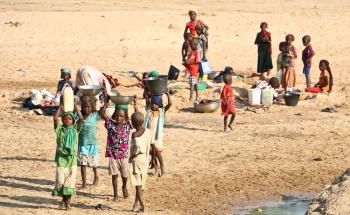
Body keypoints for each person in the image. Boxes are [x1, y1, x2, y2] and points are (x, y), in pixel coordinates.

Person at [101, 94, 138, 201]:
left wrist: (135, 103)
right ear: (114, 115)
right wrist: (106, 101)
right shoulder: (110, 124)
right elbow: (102, 113)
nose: (118, 118)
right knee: (114, 175)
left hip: (124, 154)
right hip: (112, 154)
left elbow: (136, 116)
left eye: (121, 116)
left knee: (124, 175)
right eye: (117, 115)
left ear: (125, 117)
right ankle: (115, 195)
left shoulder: (128, 125)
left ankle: (124, 186)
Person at [52, 102, 83, 210]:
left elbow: (81, 118)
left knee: (69, 183)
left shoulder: (75, 129)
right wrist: (60, 107)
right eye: (65, 118)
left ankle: (67, 203)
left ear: (73, 120)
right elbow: (55, 118)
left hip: (72, 159)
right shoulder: (59, 130)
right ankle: (63, 201)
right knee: (61, 181)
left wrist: (75, 106)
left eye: (70, 119)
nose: (67, 120)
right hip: (61, 159)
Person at [143, 91, 172, 177]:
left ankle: (162, 166)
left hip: (157, 136)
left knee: (157, 151)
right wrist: (147, 94)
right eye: (152, 103)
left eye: (154, 104)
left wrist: (167, 94)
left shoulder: (162, 111)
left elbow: (170, 104)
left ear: (159, 104)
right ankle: (156, 168)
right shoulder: (149, 110)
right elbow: (147, 100)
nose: (152, 105)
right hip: (149, 135)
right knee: (152, 153)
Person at [129, 112, 152, 213]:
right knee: (141, 183)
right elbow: (152, 146)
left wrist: (131, 157)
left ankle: (142, 204)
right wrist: (153, 160)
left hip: (137, 160)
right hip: (145, 160)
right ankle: (135, 204)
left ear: (133, 123)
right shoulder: (148, 131)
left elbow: (135, 149)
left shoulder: (134, 135)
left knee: (137, 184)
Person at [78, 96, 100, 189]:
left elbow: (102, 112)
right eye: (85, 107)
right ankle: (84, 182)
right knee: (83, 163)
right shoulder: (80, 116)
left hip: (93, 144)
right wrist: (77, 108)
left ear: (92, 107)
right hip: (82, 144)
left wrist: (102, 101)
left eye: (89, 107)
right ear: (81, 107)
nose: (86, 109)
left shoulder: (94, 115)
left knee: (94, 163)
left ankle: (96, 176)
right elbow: (77, 124)